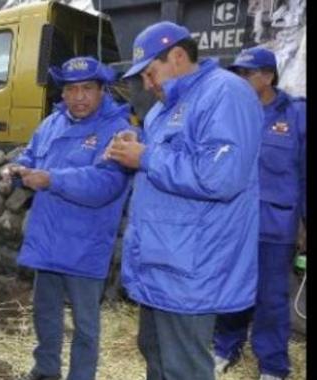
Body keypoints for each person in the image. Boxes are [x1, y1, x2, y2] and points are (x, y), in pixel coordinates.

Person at [105, 21, 263, 380]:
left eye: (150, 73)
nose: (147, 84)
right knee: (155, 353)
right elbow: (160, 160)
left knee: (183, 367)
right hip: (163, 261)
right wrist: (130, 147)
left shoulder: (226, 93)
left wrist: (144, 157)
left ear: (177, 56)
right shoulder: (163, 109)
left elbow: (222, 176)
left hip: (193, 266)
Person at [3, 56, 133, 380]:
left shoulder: (118, 131)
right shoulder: (51, 124)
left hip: (84, 245)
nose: (79, 97)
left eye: (87, 88)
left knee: (85, 325)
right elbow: (31, 156)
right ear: (62, 93)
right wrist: (18, 169)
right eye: (71, 89)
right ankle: (45, 370)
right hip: (48, 240)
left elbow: (106, 184)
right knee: (45, 313)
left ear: (102, 90)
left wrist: (52, 179)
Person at [213, 47, 306, 380]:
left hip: (274, 224)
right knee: (231, 289)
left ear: (268, 76)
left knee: (271, 299)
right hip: (234, 222)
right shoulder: (230, 113)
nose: (239, 80)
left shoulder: (295, 115)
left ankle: (272, 365)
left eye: (246, 74)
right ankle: (225, 348)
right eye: (236, 74)